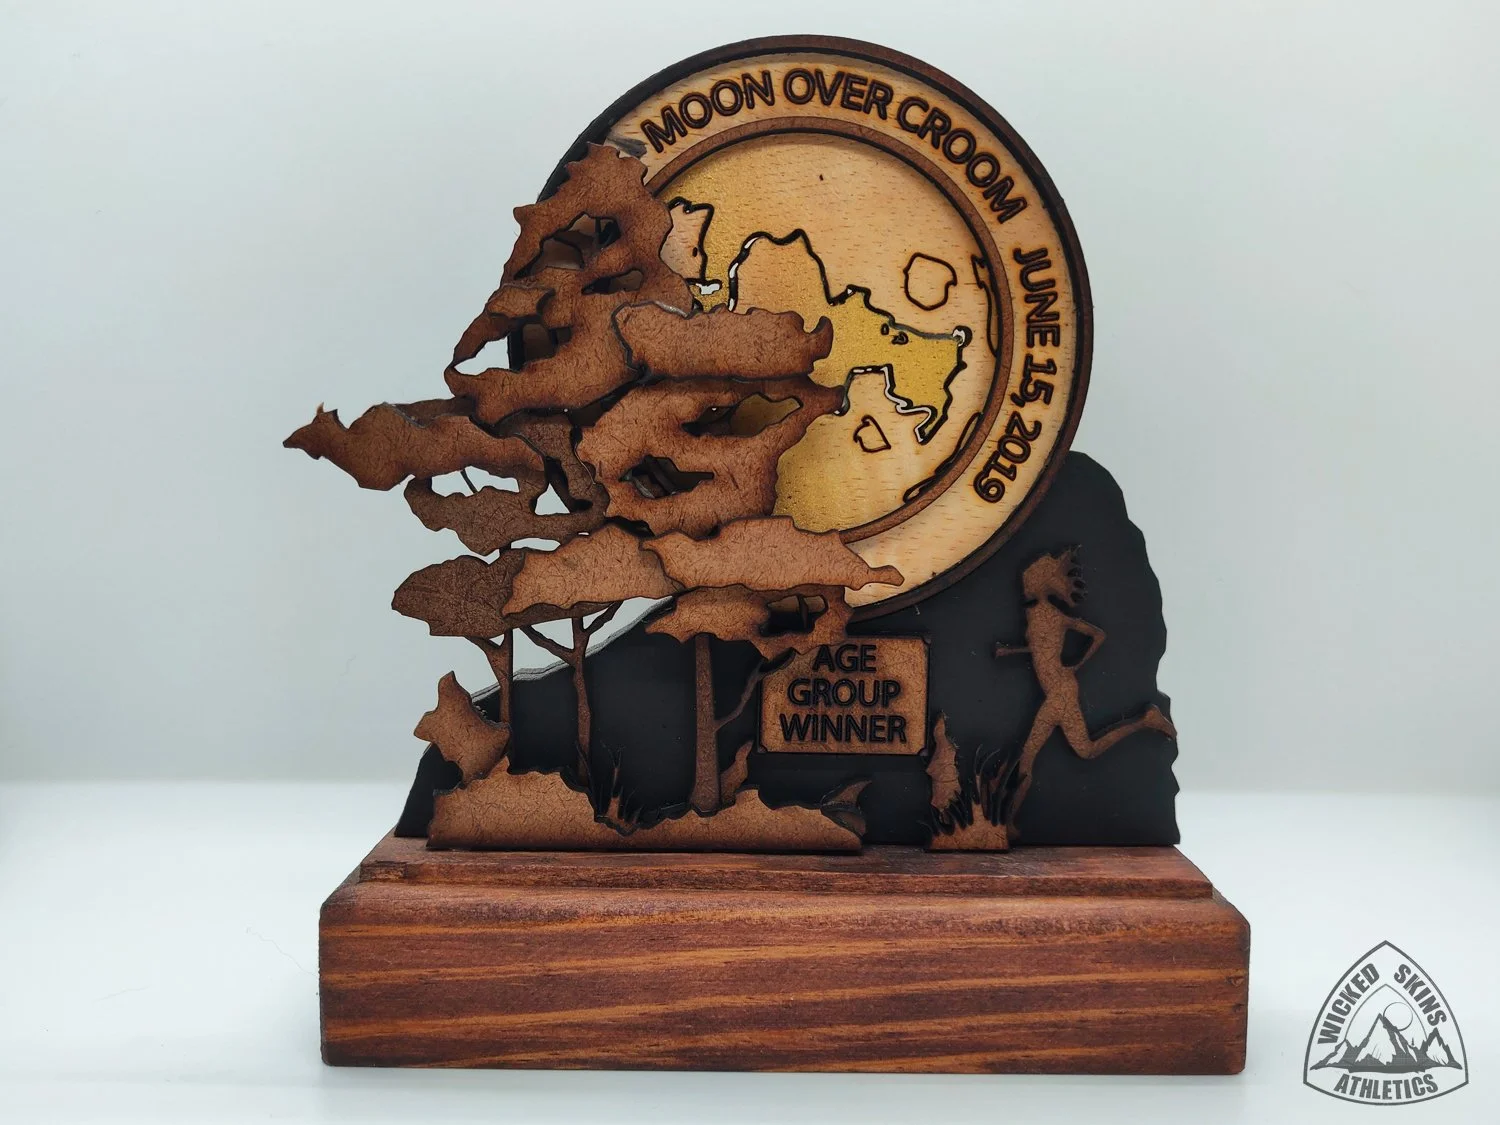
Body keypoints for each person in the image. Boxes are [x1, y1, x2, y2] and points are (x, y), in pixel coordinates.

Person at [992, 549, 1175, 832]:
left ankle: (1010, 822)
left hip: (1060, 693)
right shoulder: (1035, 615)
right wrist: (1011, 651)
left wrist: (1077, 664)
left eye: (1029, 580)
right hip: (1057, 691)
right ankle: (1145, 721)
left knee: (1031, 756)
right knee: (1082, 751)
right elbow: (1040, 648)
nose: (1025, 585)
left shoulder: (1052, 615)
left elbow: (1097, 635)